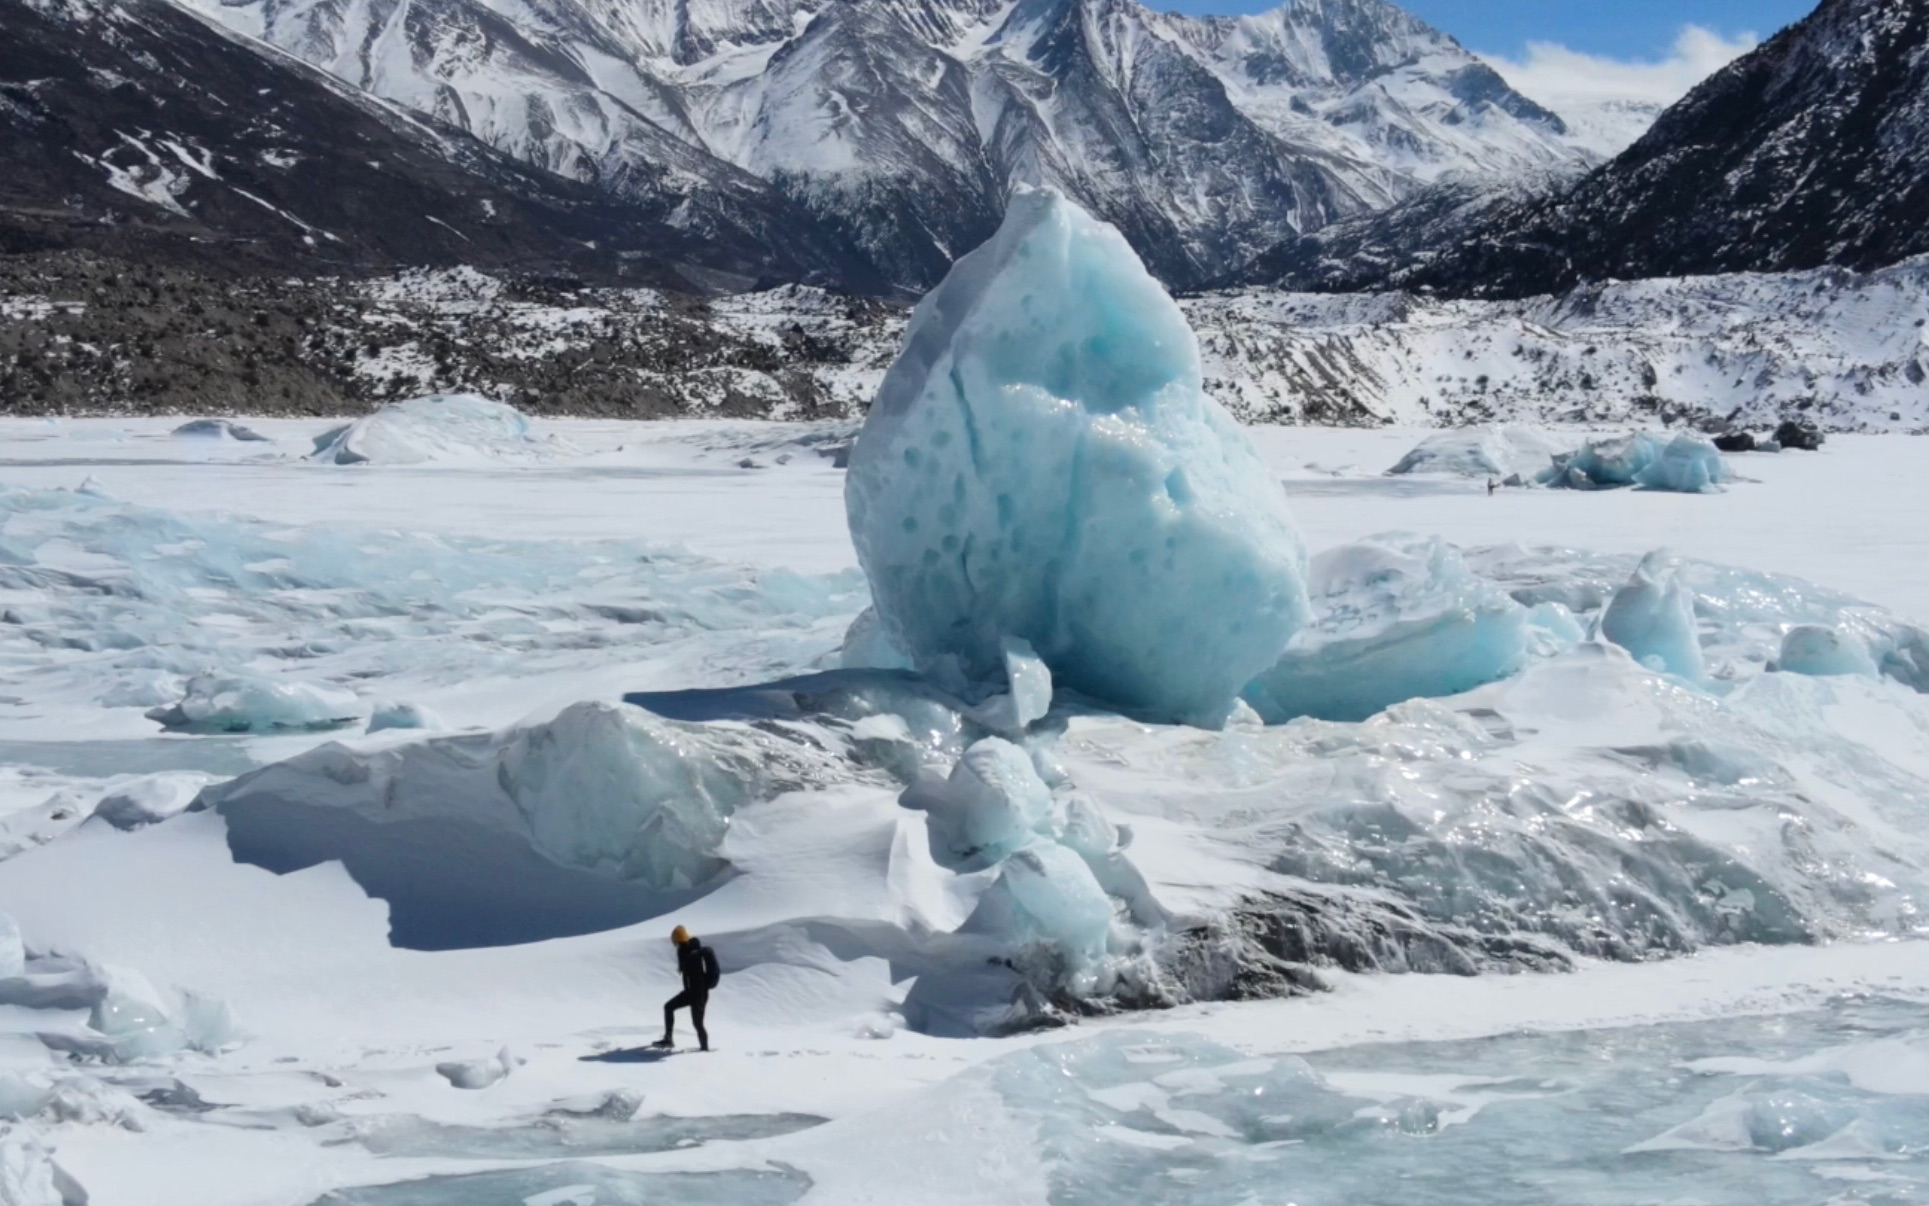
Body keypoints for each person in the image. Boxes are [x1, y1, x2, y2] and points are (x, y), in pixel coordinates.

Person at [654, 925, 719, 1052]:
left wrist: (696, 996)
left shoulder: (692, 955)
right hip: (692, 993)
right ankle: (669, 1039)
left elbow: (697, 978)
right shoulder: (686, 952)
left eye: (675, 942)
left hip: (698, 994)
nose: (675, 945)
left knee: (697, 1024)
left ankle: (704, 1050)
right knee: (670, 1008)